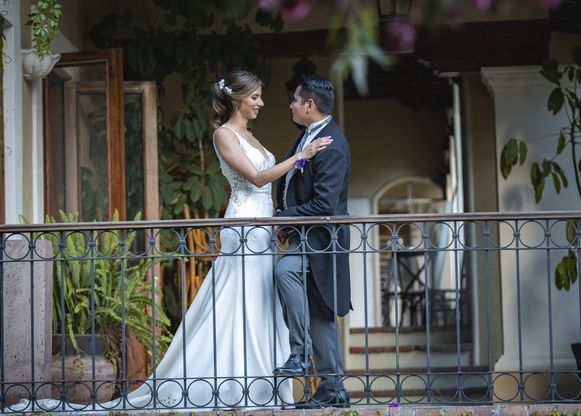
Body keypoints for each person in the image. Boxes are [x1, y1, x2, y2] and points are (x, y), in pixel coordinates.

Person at [10, 70, 332, 412]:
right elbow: (254, 177)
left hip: (263, 227)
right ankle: (232, 384)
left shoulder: (249, 135)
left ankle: (262, 384)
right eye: (255, 97)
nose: (261, 103)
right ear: (238, 99)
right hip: (243, 226)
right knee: (241, 300)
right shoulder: (223, 135)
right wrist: (302, 155)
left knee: (263, 302)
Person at [273, 74, 351, 408]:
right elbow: (294, 183)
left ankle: (300, 353)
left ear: (309, 104)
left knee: (285, 271)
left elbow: (324, 204)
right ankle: (334, 390)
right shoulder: (309, 136)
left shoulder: (332, 144)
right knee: (320, 315)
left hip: (321, 240)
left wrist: (284, 219)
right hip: (304, 236)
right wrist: (285, 216)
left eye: (294, 99)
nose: (290, 105)